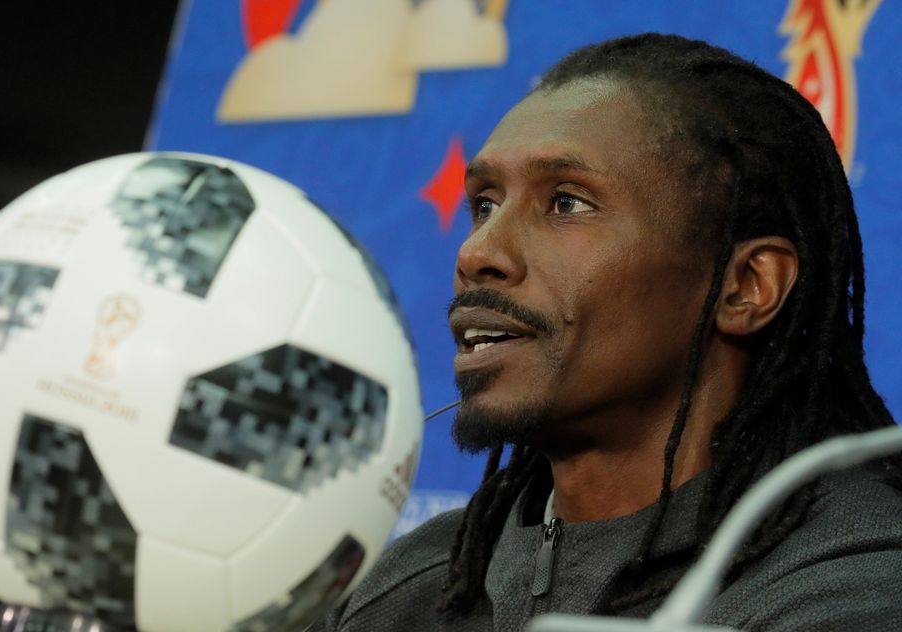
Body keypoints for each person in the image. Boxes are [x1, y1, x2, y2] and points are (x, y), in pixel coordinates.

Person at [310, 33, 902, 631]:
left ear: (747, 284)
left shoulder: (857, 588)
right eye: (485, 203)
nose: (478, 251)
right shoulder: (413, 586)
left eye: (567, 203)